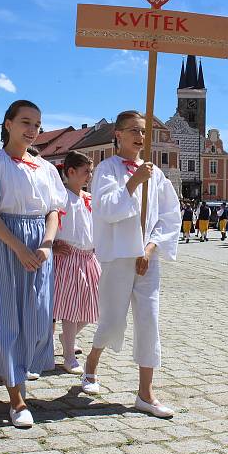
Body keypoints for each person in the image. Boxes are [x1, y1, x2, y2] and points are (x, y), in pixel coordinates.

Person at [0, 100, 66, 428]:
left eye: (37, 125)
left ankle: (21, 369)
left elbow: (54, 210)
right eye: (25, 122)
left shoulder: (45, 168)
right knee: (7, 318)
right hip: (6, 243)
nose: (32, 130)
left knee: (36, 315)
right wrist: (18, 247)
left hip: (39, 245)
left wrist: (46, 243)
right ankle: (17, 399)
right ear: (8, 124)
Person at [81, 110, 181, 419]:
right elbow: (106, 209)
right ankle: (91, 365)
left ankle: (145, 393)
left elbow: (169, 215)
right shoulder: (107, 170)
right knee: (112, 320)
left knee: (149, 320)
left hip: (146, 259)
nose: (140, 136)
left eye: (144, 131)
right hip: (118, 256)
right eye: (133, 130)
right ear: (118, 135)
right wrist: (133, 183)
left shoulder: (156, 174)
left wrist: (150, 248)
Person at [52, 150, 100, 375]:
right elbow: (48, 224)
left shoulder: (88, 198)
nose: (89, 176)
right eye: (85, 172)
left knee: (97, 305)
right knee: (70, 310)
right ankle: (69, 355)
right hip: (68, 257)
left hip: (89, 257)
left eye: (90, 172)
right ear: (70, 172)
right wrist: (51, 245)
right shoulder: (60, 197)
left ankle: (67, 337)